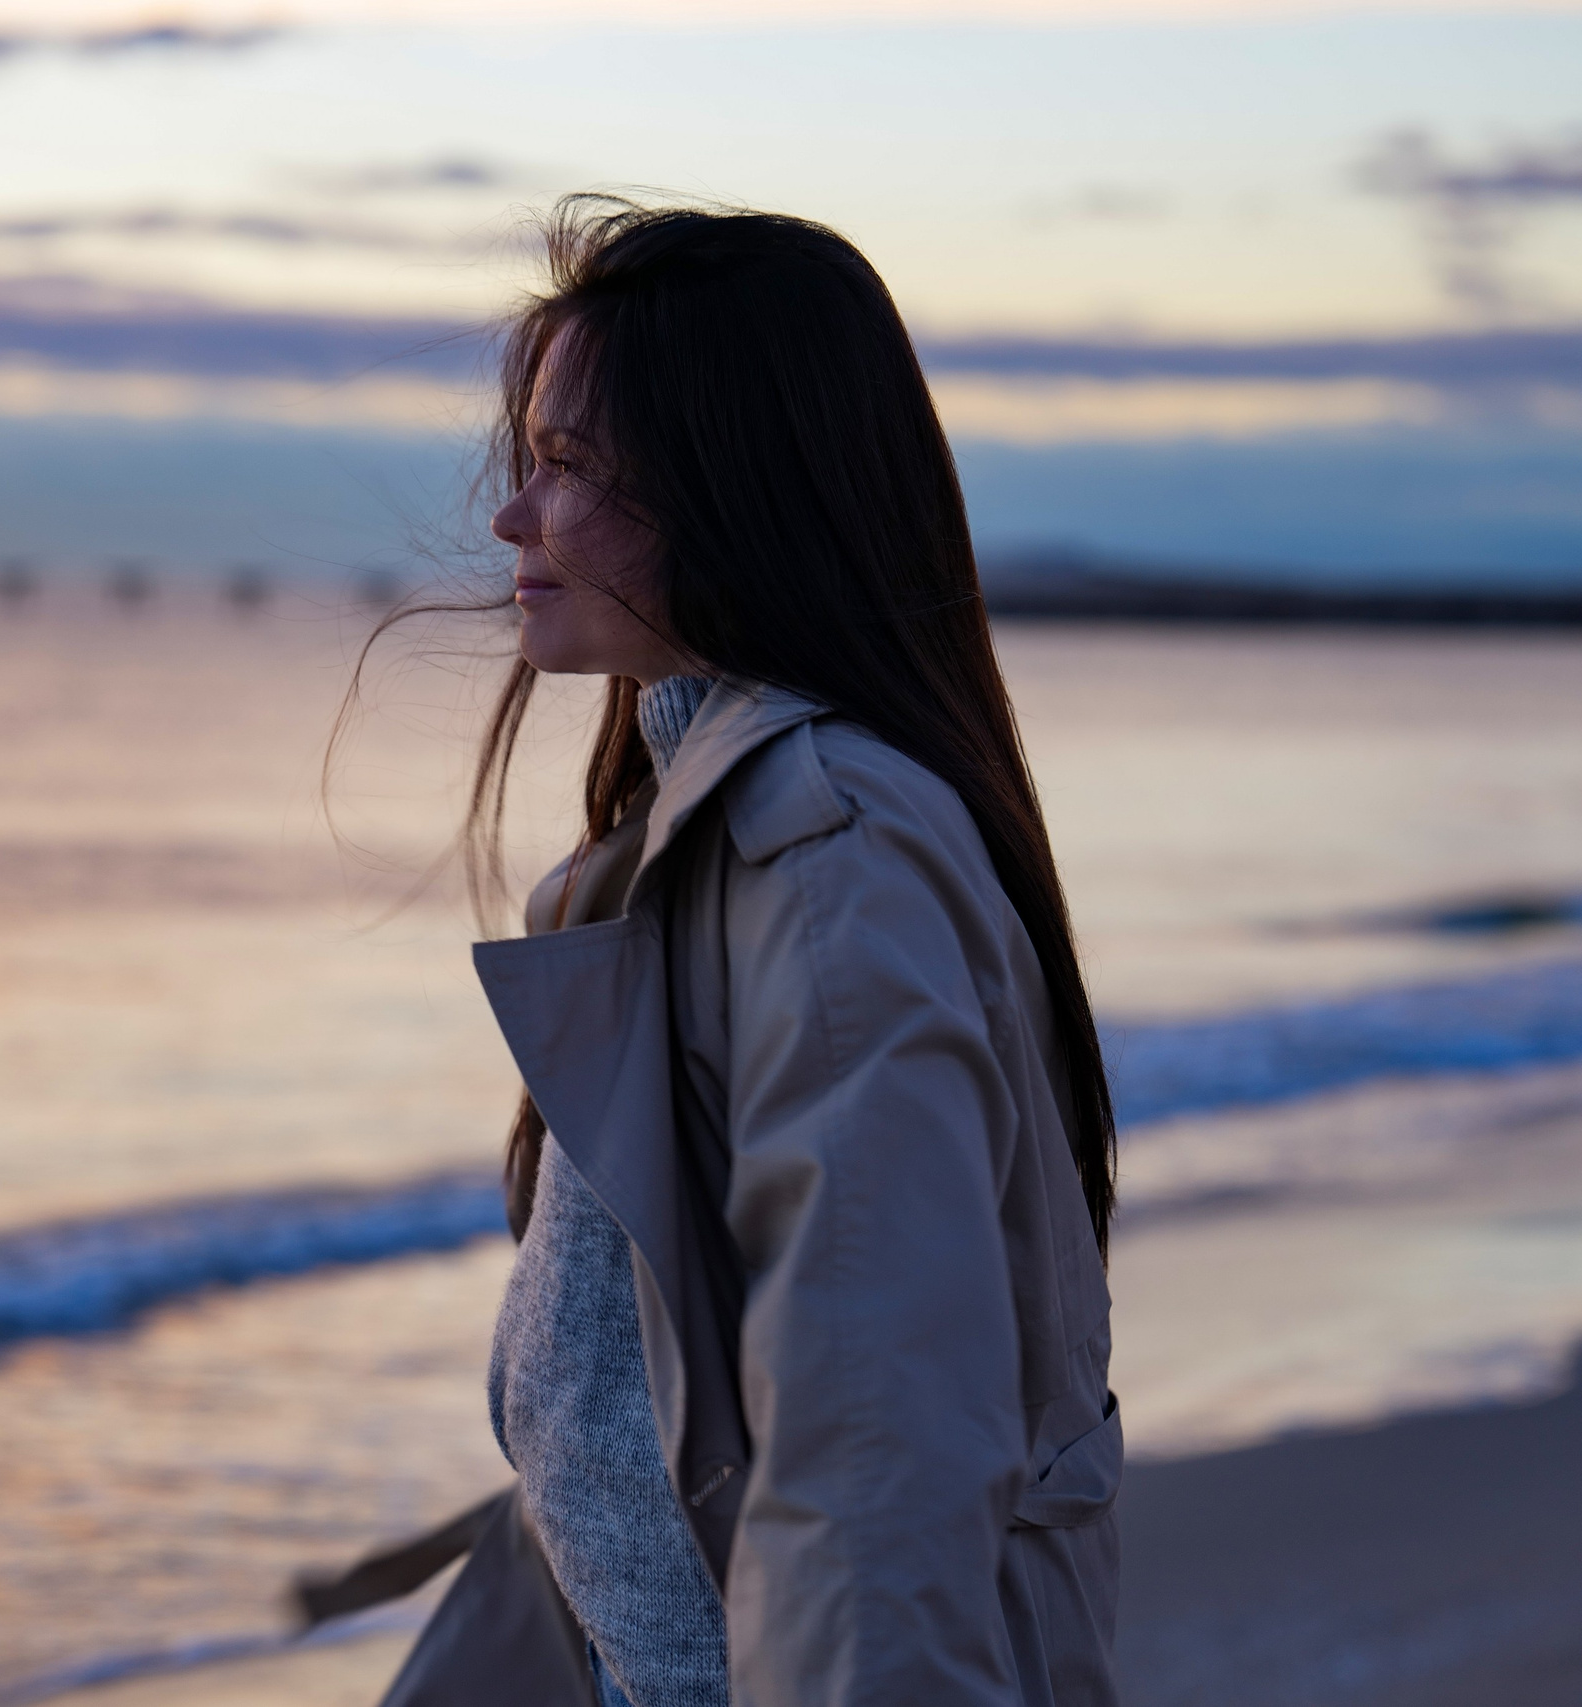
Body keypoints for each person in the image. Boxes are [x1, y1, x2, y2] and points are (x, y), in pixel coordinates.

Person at [336, 199, 1123, 1707]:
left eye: (565, 469)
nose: (512, 519)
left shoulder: (828, 860)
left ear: (731, 489)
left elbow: (877, 1450)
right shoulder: (700, 821)